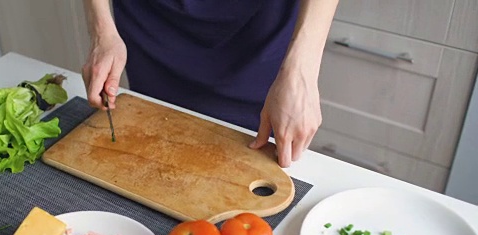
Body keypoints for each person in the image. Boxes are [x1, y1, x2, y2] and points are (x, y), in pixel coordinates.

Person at [81, 0, 339, 168]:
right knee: (155, 140)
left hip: (258, 26)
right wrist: (101, 30)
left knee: (253, 155)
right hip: (153, 19)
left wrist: (301, 69)